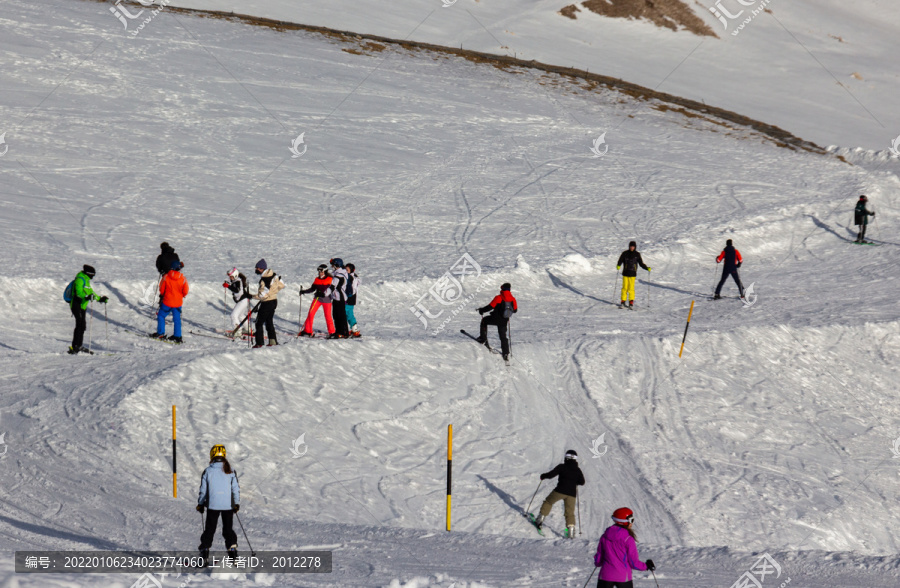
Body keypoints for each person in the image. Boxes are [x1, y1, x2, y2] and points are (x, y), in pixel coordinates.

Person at [197, 444, 240, 563]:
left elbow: (203, 490)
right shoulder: (231, 470)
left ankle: (204, 554)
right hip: (228, 506)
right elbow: (235, 489)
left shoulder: (208, 471)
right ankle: (233, 553)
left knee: (210, 530)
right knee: (228, 530)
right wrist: (236, 503)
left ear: (212, 455)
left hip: (213, 505)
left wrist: (200, 504)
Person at [593, 507, 655, 588]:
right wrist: (646, 566)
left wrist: (600, 562)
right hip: (623, 578)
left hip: (605, 577)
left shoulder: (605, 536)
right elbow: (633, 563)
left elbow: (598, 561)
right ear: (624, 522)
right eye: (631, 520)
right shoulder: (628, 539)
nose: (632, 523)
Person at [534, 449, 585, 538]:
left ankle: (540, 520)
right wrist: (575, 480)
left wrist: (543, 476)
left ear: (566, 457)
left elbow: (550, 475)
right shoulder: (577, 470)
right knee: (570, 512)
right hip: (571, 495)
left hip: (560, 491)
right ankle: (571, 533)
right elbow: (582, 482)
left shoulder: (562, 466)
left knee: (548, 502)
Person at [67, 264, 108, 354]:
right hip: (76, 305)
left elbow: (91, 293)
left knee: (83, 326)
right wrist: (86, 297)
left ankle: (79, 345)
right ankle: (75, 346)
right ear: (89, 273)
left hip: (83, 306)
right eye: (93, 275)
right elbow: (79, 293)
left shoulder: (86, 280)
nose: (93, 277)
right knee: (79, 324)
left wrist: (100, 298)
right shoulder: (80, 279)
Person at [475, 283, 518, 361]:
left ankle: (483, 339)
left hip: (495, 319)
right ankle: (505, 353)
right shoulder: (513, 299)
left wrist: (481, 310)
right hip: (504, 320)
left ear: (502, 289)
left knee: (484, 320)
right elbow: (515, 310)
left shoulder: (499, 297)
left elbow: (490, 307)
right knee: (503, 336)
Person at [251, 259, 284, 348]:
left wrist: (252, 296)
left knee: (259, 322)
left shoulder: (264, 279)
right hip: (274, 301)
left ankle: (259, 343)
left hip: (267, 303)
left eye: (257, 268)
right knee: (269, 321)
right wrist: (273, 292)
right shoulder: (274, 275)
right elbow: (282, 285)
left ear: (261, 269)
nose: (256, 269)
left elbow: (262, 295)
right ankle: (272, 341)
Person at [154, 260, 189, 343]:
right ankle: (177, 336)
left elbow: (161, 289)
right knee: (177, 319)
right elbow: (186, 291)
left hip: (167, 302)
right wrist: (181, 295)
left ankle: (160, 333)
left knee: (161, 316)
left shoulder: (166, 277)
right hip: (177, 303)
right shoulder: (183, 278)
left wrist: (164, 295)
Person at [299, 264, 335, 337]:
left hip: (326, 300)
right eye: (319, 271)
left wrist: (322, 293)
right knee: (310, 313)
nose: (320, 273)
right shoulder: (317, 279)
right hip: (317, 299)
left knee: (328, 316)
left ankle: (332, 332)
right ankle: (308, 331)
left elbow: (331, 289)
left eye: (321, 271)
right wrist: (304, 291)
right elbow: (312, 289)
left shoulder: (330, 279)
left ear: (325, 271)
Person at [616, 241, 650, 309]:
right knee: (624, 288)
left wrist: (646, 268)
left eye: (633, 246)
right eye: (631, 246)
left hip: (632, 274)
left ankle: (631, 302)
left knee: (631, 289)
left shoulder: (637, 254)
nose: (632, 247)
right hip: (625, 273)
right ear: (629, 246)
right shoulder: (625, 253)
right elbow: (620, 260)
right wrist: (618, 265)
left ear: (635, 247)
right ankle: (623, 301)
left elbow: (641, 263)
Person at [223, 268, 252, 335]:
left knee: (233, 315)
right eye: (230, 277)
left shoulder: (238, 281)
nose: (230, 278)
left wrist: (228, 286)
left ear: (235, 275)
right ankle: (248, 329)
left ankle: (238, 331)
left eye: (231, 276)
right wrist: (227, 284)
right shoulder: (236, 281)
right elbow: (233, 286)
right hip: (244, 301)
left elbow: (237, 290)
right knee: (241, 316)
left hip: (242, 301)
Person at [329, 258, 351, 339]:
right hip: (336, 298)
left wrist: (324, 293)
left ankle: (344, 332)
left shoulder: (338, 276)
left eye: (333, 265)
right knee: (336, 315)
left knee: (340, 316)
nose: (332, 266)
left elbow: (332, 287)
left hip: (340, 298)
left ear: (337, 265)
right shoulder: (338, 273)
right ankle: (338, 331)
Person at [345, 263, 361, 337]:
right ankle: (352, 329)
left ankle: (354, 329)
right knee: (347, 313)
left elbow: (353, 289)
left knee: (348, 313)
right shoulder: (349, 276)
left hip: (350, 298)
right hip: (348, 297)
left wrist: (348, 294)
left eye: (347, 269)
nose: (345, 270)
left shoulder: (352, 278)